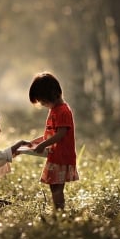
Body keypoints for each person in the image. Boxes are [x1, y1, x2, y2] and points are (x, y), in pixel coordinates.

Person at [29, 72, 79, 211]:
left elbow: (61, 134)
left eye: (43, 101)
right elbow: (50, 134)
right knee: (53, 187)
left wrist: (43, 144)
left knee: (57, 188)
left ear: (53, 94)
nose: (43, 104)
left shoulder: (63, 111)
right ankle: (58, 211)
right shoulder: (54, 110)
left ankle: (59, 212)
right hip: (55, 155)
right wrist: (34, 142)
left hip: (62, 157)